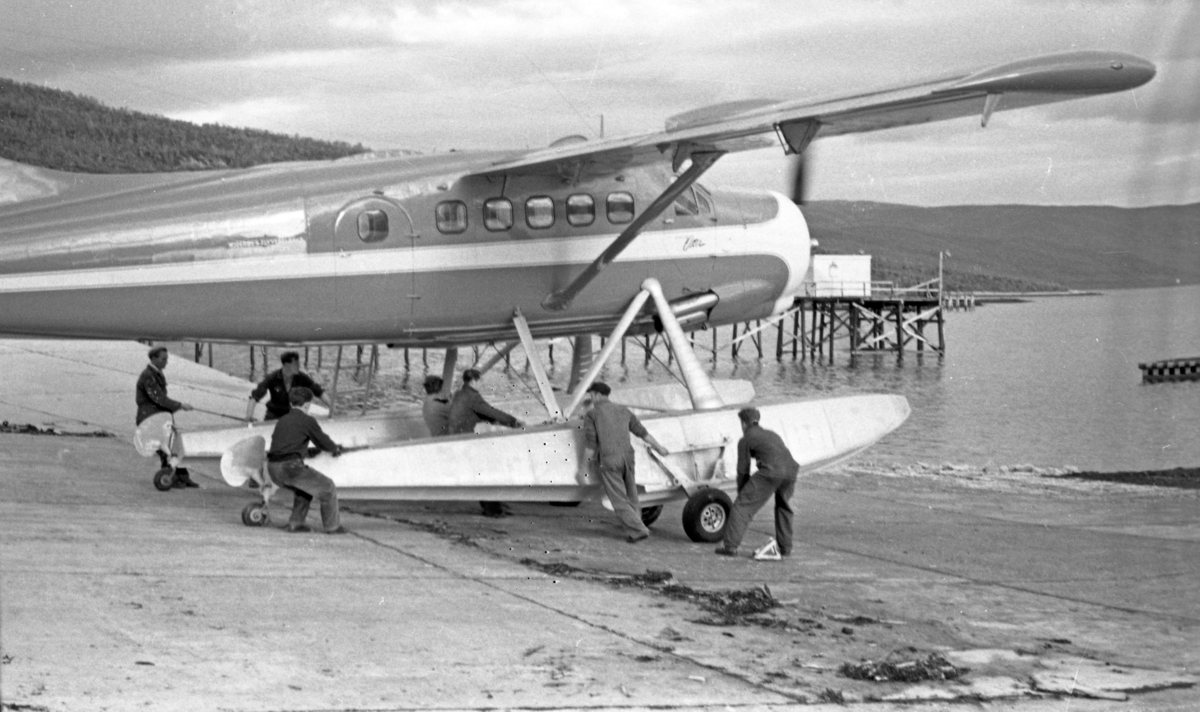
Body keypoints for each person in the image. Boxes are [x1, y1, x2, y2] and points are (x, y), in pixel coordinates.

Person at [580, 381, 669, 543]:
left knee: (619, 500)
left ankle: (639, 530)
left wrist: (582, 469)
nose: (591, 398)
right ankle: (637, 527)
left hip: (609, 459)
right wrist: (659, 448)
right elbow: (643, 433)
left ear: (598, 395)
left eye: (591, 395)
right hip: (628, 458)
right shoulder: (623, 410)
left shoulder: (592, 415)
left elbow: (591, 445)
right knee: (632, 495)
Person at [715, 407, 800, 558]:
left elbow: (743, 470)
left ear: (743, 423)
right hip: (791, 470)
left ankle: (730, 546)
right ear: (757, 420)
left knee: (741, 506)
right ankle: (785, 548)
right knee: (783, 507)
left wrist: (742, 492)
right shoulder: (772, 434)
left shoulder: (745, 439)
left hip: (772, 471)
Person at [266, 387, 348, 534]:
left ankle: (296, 524)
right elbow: (323, 441)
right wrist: (335, 449)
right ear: (307, 405)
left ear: (291, 403)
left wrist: (309, 451)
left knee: (305, 489)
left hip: (272, 468)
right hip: (289, 467)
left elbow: (284, 446)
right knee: (328, 487)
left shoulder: (282, 420)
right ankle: (332, 527)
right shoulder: (308, 420)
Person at [447, 368, 523, 517]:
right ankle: (493, 508)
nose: (481, 384)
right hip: (466, 439)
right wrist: (513, 421)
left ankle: (493, 504)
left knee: (480, 471)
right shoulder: (472, 396)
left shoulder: (459, 394)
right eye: (480, 381)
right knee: (487, 470)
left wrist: (496, 421)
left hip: (456, 438)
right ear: (474, 381)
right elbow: (490, 411)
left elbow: (478, 413)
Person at [135, 346, 197, 487]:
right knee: (167, 449)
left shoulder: (156, 374)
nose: (166, 362)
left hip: (158, 417)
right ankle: (172, 477)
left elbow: (161, 399)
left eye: (166, 359)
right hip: (149, 419)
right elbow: (159, 399)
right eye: (163, 359)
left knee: (173, 446)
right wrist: (181, 405)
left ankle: (181, 476)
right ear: (154, 359)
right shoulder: (148, 376)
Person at [246, 351, 329, 422]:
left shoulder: (302, 377)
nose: (298, 366)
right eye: (295, 364)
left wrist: (331, 408)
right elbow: (256, 395)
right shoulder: (272, 377)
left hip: (294, 414)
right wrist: (249, 415)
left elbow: (318, 391)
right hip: (274, 415)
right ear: (286, 365)